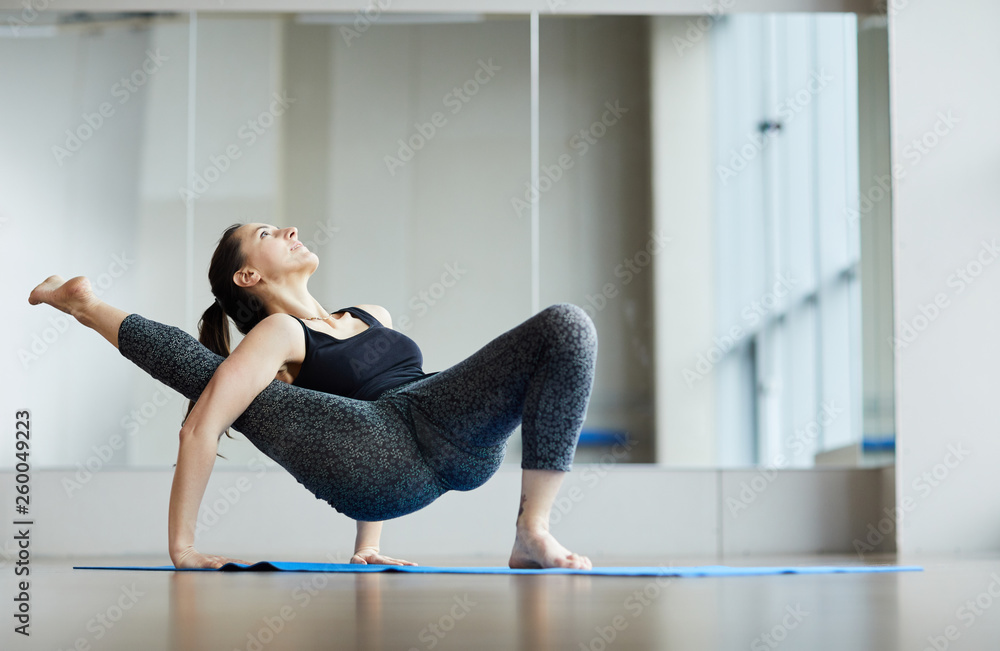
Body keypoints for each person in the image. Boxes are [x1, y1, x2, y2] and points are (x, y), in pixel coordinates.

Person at [28, 222, 598, 570]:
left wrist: (367, 545)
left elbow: (375, 410)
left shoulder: (373, 316)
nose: (289, 230)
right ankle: (84, 305)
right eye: (267, 236)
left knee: (566, 330)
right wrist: (184, 547)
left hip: (441, 442)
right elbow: (200, 427)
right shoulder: (277, 335)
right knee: (215, 383)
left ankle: (532, 529)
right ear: (248, 278)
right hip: (377, 456)